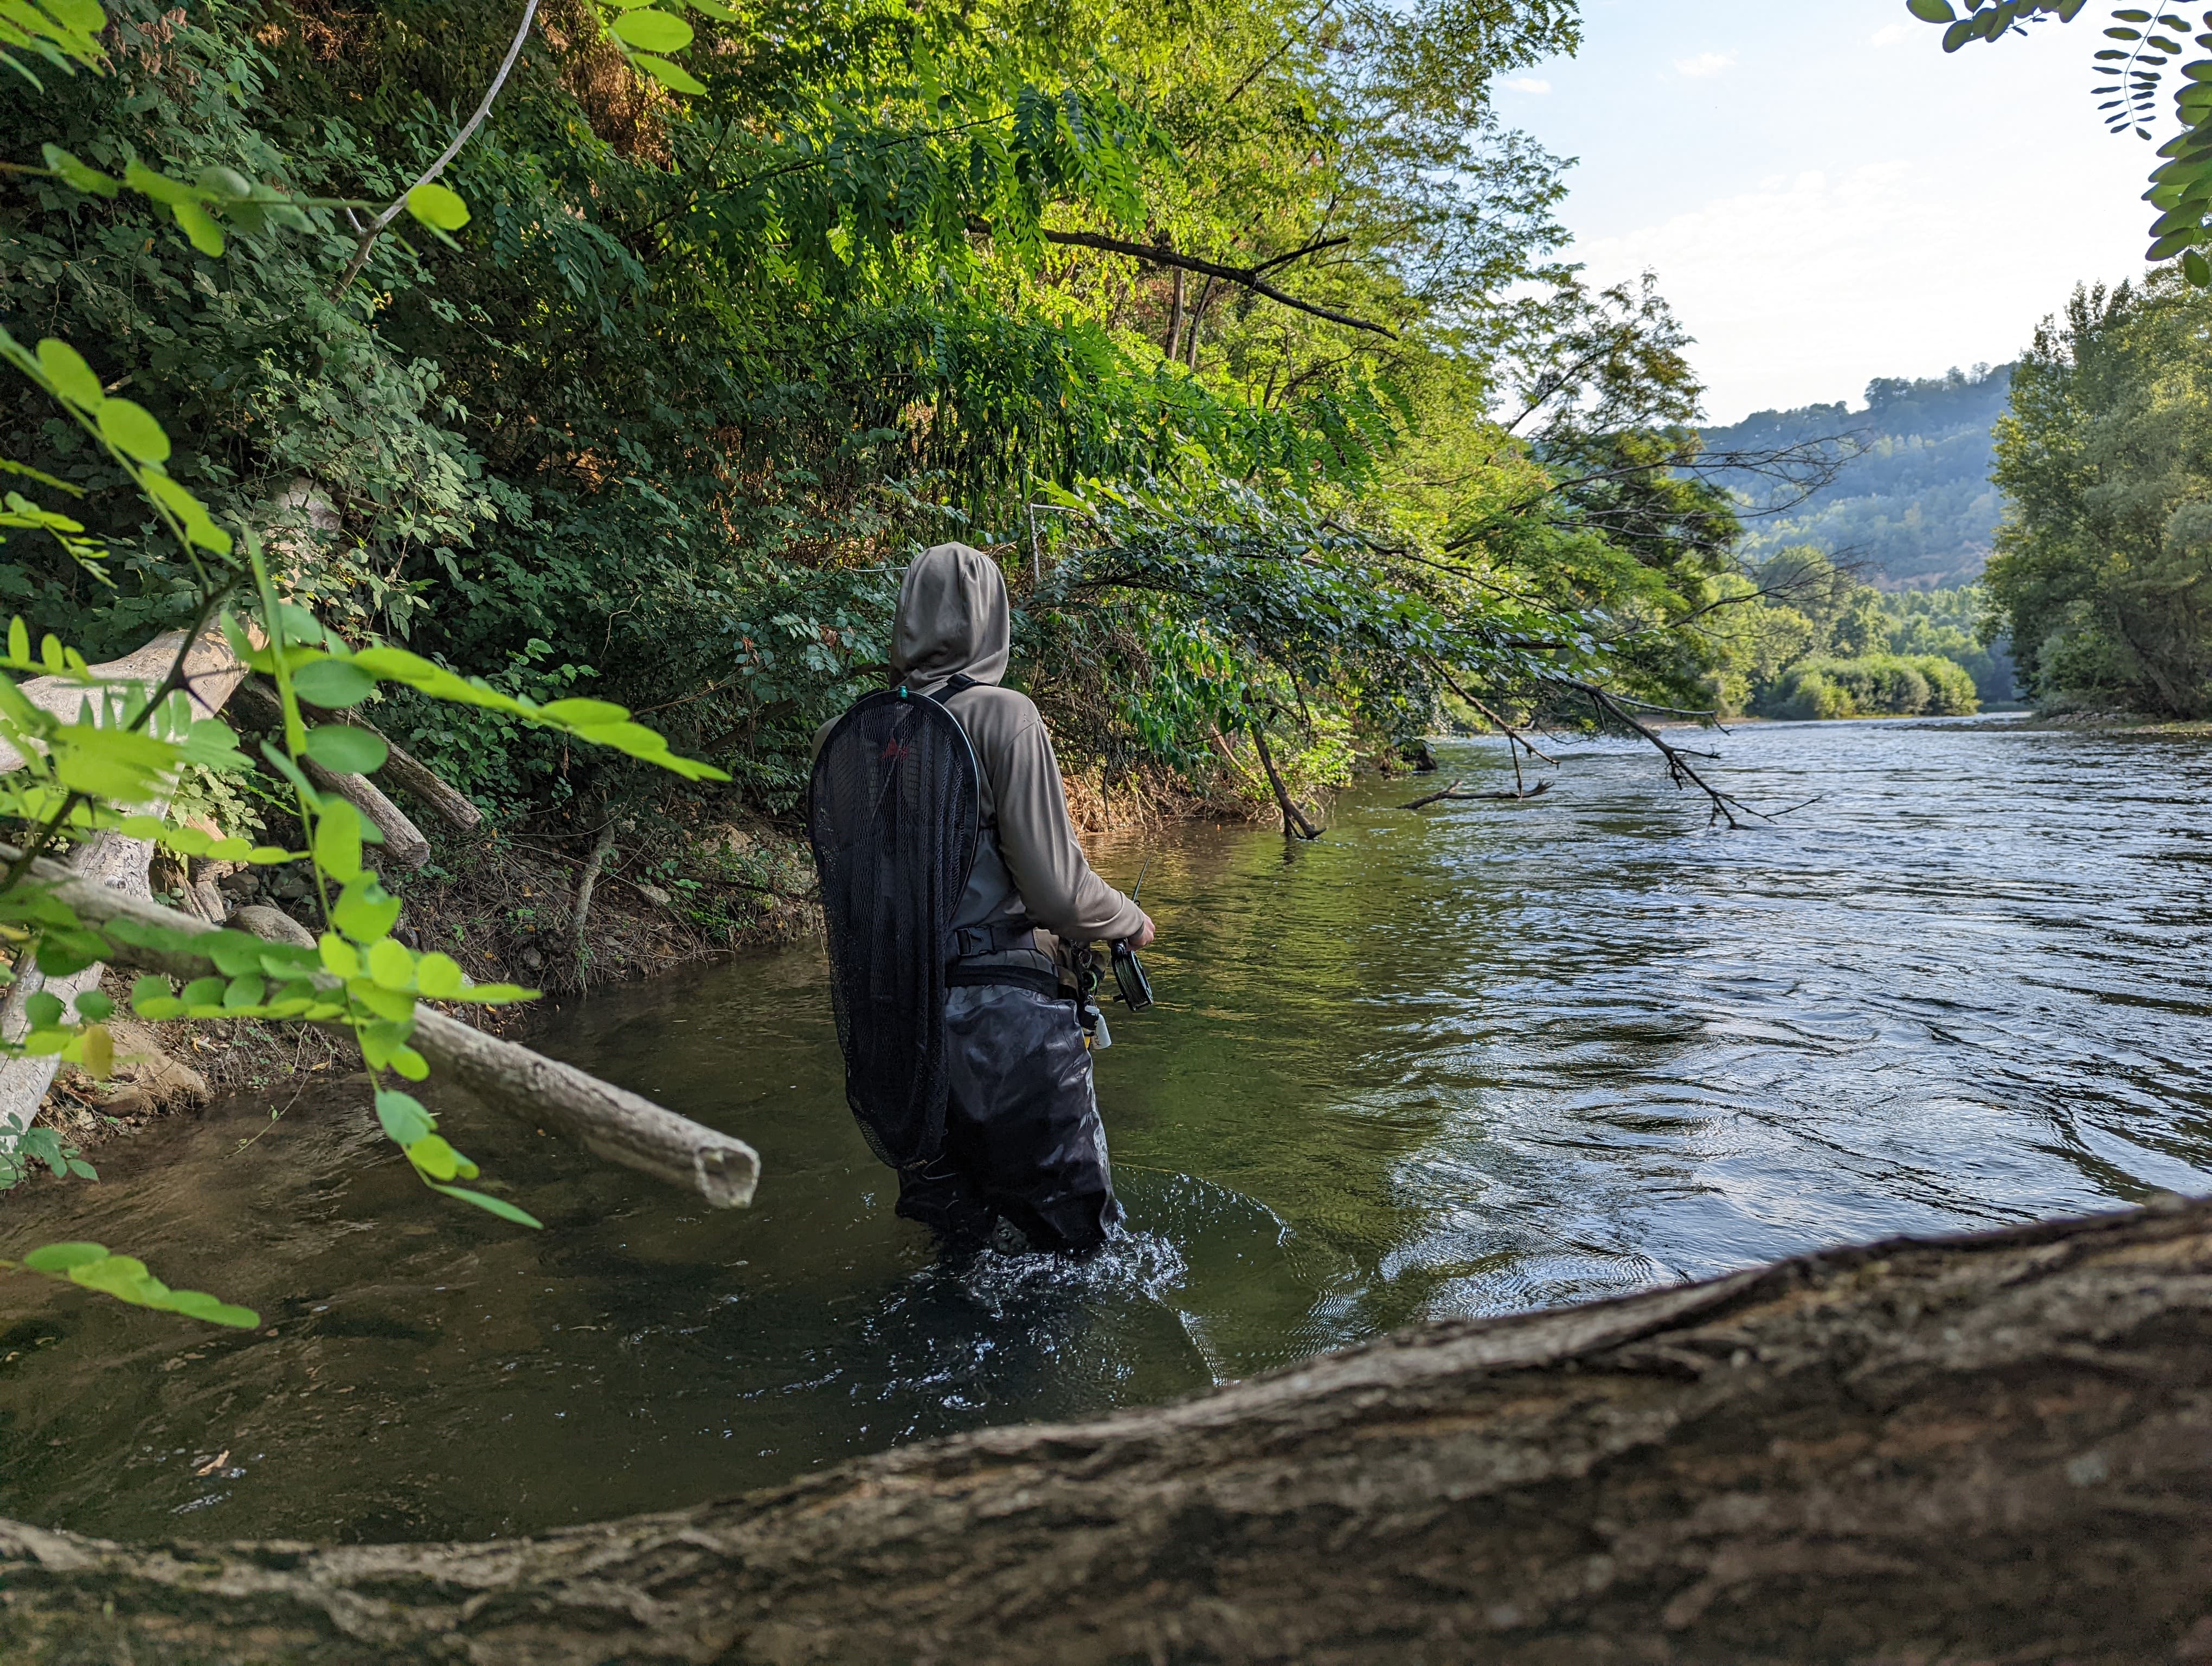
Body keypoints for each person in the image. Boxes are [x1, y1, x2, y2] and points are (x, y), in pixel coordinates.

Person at [814, 542, 1155, 1256]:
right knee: (1077, 1259)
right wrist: (1131, 918)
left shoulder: (846, 736)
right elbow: (1061, 896)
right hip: (1006, 1032)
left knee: (959, 1252)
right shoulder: (1005, 718)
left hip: (897, 1038)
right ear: (991, 618)